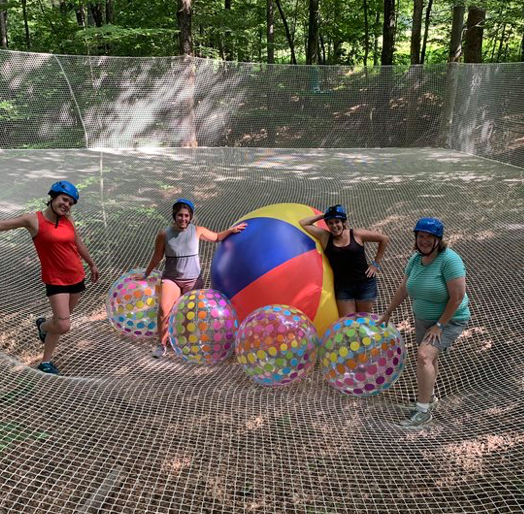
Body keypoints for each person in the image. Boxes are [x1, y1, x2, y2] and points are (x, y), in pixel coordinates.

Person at [379, 217, 470, 428]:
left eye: (430, 237)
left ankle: (423, 412)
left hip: (449, 319)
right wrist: (388, 313)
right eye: (421, 236)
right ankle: (428, 399)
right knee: (429, 359)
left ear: (438, 239)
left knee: (423, 356)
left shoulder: (450, 260)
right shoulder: (415, 259)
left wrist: (439, 325)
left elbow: (457, 297)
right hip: (423, 320)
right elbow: (403, 288)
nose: (425, 240)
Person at [0, 181, 99, 375]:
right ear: (53, 197)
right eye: (64, 199)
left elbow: (78, 244)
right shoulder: (33, 220)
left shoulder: (68, 221)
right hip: (56, 280)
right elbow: (4, 225)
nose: (67, 205)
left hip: (77, 276)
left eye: (70, 203)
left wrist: (92, 264)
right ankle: (42, 325)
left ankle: (45, 362)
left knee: (60, 325)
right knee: (62, 324)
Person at [141, 198, 246, 358]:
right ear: (174, 215)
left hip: (193, 280)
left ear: (190, 217)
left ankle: (183, 341)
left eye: (186, 216)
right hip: (172, 279)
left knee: (190, 313)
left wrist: (231, 230)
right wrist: (145, 274)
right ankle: (161, 344)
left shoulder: (197, 230)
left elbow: (217, 237)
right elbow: (157, 257)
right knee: (164, 310)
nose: (183, 219)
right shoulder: (164, 234)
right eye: (180, 215)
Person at [299, 204, 389, 317]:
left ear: (343, 222)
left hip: (365, 284)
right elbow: (303, 223)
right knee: (348, 323)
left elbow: (384, 239)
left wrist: (376, 264)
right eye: (330, 223)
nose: (334, 226)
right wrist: (324, 215)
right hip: (343, 287)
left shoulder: (356, 234)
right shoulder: (325, 237)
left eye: (337, 221)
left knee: (364, 320)